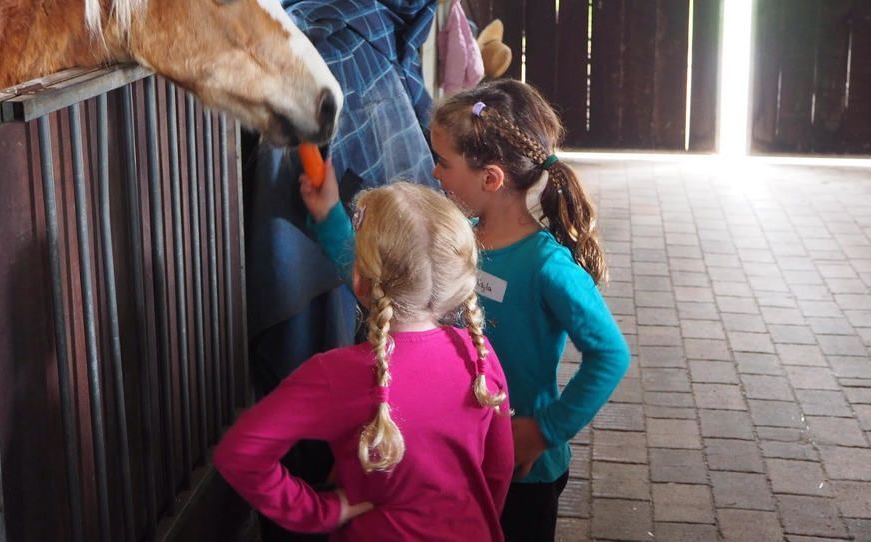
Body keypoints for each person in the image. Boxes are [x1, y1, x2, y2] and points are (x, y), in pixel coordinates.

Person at [301, 79, 630, 542]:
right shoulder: (455, 237)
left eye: (443, 163)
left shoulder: (547, 266)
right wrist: (329, 214)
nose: (434, 175)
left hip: (522, 475)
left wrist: (543, 431)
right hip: (451, 456)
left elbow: (610, 355)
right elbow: (381, 287)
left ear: (491, 178)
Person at [214, 183, 514, 540]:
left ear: (358, 282)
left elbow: (240, 452)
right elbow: (499, 467)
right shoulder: (478, 355)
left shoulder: (335, 374)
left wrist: (321, 511)